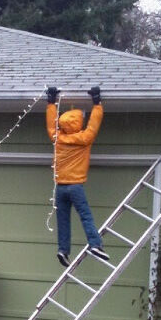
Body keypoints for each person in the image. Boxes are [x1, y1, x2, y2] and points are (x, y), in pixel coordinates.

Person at [46, 85, 110, 267]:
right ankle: (95, 244)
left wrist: (51, 102)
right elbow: (94, 123)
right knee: (85, 216)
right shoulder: (85, 138)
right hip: (76, 186)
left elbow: (51, 124)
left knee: (63, 220)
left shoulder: (57, 138)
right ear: (77, 123)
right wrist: (97, 103)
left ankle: (63, 250)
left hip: (60, 187)